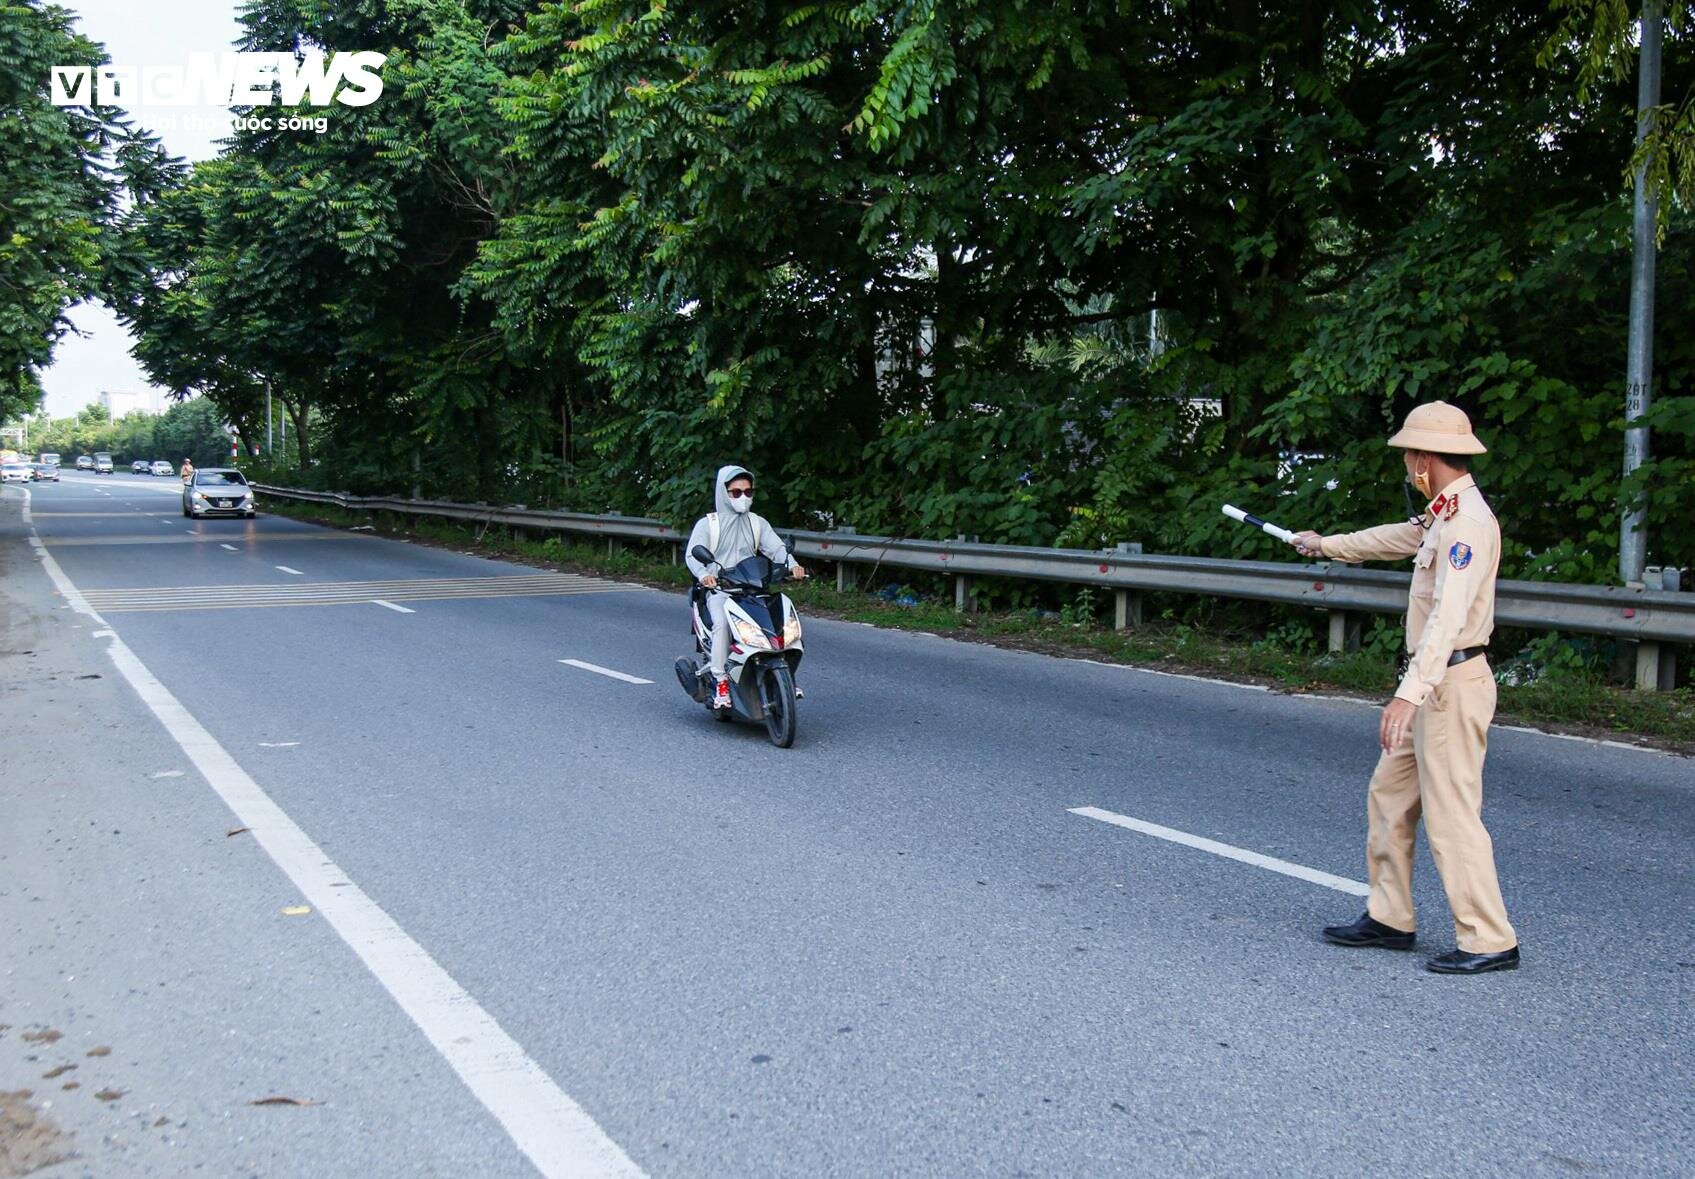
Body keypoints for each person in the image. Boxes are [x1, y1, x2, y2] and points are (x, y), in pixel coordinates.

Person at [1290, 402, 1519, 975]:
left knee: (1452, 814)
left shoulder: (1467, 524)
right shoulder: (1442, 515)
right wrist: (1328, 544)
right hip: (1433, 682)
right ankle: (1391, 918)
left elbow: (1447, 617)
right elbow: (1396, 538)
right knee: (1389, 794)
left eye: (1409, 456)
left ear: (1424, 458)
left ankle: (1488, 937)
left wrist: (1408, 693)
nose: (1407, 466)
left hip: (1449, 683)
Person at [683, 465, 806, 709]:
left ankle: (787, 677)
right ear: (723, 492)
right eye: (736, 492)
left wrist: (793, 565)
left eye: (748, 492)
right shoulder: (708, 525)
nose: (743, 497)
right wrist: (704, 575)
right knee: (721, 624)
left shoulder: (757, 523)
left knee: (784, 621)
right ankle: (720, 681)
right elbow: (692, 555)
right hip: (721, 590)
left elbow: (777, 549)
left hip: (753, 589)